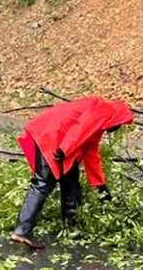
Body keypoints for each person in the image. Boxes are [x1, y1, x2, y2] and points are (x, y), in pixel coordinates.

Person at [11, 96, 134, 250]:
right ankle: (22, 231)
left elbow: (91, 154)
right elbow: (80, 127)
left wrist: (101, 186)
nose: (117, 128)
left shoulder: (99, 123)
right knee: (43, 183)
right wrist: (65, 149)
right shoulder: (102, 109)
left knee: (72, 185)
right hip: (50, 136)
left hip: (60, 140)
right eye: (120, 124)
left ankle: (72, 229)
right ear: (116, 118)